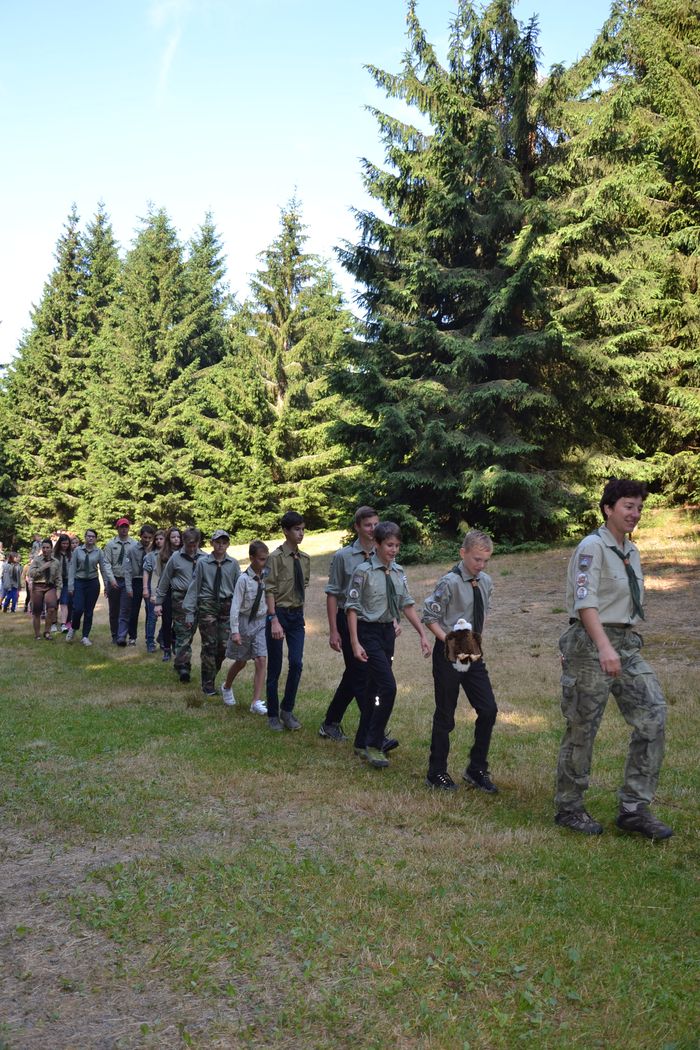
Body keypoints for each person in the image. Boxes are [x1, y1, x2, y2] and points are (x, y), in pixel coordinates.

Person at [554, 478, 673, 839]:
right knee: (582, 727)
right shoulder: (592, 547)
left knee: (653, 715)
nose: (635, 514)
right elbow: (584, 601)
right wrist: (604, 646)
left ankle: (634, 809)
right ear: (608, 508)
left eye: (639, 508)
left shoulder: (630, 551)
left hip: (625, 642)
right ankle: (570, 808)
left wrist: (618, 645)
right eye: (628, 506)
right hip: (590, 642)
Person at [345, 521, 431, 768]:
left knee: (373, 688)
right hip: (368, 633)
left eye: (397, 545)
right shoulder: (363, 571)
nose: (394, 550)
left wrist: (422, 634)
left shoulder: (398, 572)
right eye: (389, 545)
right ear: (377, 544)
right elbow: (352, 608)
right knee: (388, 687)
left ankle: (361, 741)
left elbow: (406, 604)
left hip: (387, 634)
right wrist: (355, 642)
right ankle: (375, 743)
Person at [422, 530, 500, 792]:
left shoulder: (485, 581)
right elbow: (429, 616)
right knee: (446, 713)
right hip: (448, 651)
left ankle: (476, 768)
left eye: (486, 561)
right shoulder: (449, 582)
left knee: (488, 709)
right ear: (463, 553)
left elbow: (483, 613)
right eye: (477, 559)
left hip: (471, 650)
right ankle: (436, 772)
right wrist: (448, 641)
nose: (481, 565)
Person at [319, 506, 378, 742]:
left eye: (376, 524)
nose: (373, 529)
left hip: (373, 622)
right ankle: (374, 730)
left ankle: (330, 723)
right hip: (347, 620)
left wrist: (393, 620)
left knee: (355, 674)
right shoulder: (343, 557)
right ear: (357, 527)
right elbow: (333, 593)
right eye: (368, 525)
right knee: (361, 675)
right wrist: (334, 630)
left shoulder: (382, 552)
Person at [264, 511, 311, 731]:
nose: (300, 533)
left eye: (302, 529)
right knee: (275, 667)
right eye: (296, 529)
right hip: (278, 614)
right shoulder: (275, 558)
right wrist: (273, 618)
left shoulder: (305, 559)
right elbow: (269, 589)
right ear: (285, 531)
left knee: (297, 663)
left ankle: (287, 710)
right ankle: (273, 715)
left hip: (296, 616)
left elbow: (302, 587)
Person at [183, 529, 241, 703]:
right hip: (207, 604)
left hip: (227, 605)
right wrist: (189, 612)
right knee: (209, 645)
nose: (220, 545)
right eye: (217, 542)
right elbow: (195, 586)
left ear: (228, 544)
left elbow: (239, 588)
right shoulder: (203, 563)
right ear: (211, 543)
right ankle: (207, 684)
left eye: (224, 542)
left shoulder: (233, 564)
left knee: (223, 646)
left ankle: (211, 674)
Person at [220, 540, 269, 714]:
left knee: (261, 659)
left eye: (266, 559)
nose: (264, 562)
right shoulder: (243, 580)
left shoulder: (268, 576)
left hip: (261, 622)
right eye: (261, 559)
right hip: (244, 622)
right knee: (241, 661)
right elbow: (235, 607)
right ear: (252, 558)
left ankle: (256, 701)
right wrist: (235, 631)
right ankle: (227, 686)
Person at [154, 527, 203, 683]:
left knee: (192, 631)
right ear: (184, 541)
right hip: (180, 598)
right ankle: (183, 666)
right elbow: (164, 580)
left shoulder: (204, 558)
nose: (192, 548)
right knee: (183, 632)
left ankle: (179, 659)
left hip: (199, 599)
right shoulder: (175, 558)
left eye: (195, 545)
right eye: (189, 545)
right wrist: (158, 602)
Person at [66, 528, 112, 645]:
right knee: (78, 609)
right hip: (79, 582)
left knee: (89, 611)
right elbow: (72, 569)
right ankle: (73, 627)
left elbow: (103, 569)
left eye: (93, 536)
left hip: (92, 583)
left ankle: (85, 636)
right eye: (88, 536)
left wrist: (106, 585)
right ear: (85, 537)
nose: (90, 538)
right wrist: (71, 586)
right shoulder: (77, 551)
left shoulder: (99, 552)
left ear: (95, 539)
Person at [103, 517, 135, 646]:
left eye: (126, 527)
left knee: (125, 609)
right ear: (117, 528)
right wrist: (111, 580)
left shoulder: (134, 544)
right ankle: (114, 635)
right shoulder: (110, 545)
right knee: (114, 610)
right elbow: (106, 563)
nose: (124, 529)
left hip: (127, 581)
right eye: (122, 527)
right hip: (114, 580)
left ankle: (122, 637)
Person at [127, 524, 156, 647]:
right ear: (140, 536)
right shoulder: (132, 550)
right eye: (145, 537)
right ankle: (132, 637)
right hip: (137, 581)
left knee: (150, 611)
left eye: (150, 538)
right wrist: (129, 587)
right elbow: (127, 570)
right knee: (134, 610)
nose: (147, 540)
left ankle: (149, 637)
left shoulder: (154, 550)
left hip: (150, 581)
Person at [27, 539, 61, 639]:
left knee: (51, 609)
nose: (45, 550)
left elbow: (58, 577)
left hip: (50, 586)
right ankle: (37, 634)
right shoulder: (37, 560)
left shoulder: (56, 562)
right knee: (37, 611)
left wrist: (59, 590)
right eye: (43, 548)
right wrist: (42, 568)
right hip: (38, 586)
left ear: (51, 549)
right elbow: (31, 574)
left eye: (47, 547)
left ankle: (47, 632)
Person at [142, 529, 166, 653]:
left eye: (161, 539)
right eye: (156, 539)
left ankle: (162, 637)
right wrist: (145, 589)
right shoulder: (150, 556)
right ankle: (150, 641)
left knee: (168, 616)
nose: (158, 541)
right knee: (152, 617)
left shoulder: (171, 554)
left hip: (167, 589)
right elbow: (146, 572)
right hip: (153, 588)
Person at [53, 533, 73, 632]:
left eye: (67, 544)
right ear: (59, 543)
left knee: (64, 603)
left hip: (66, 581)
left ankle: (63, 624)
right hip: (55, 582)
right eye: (63, 543)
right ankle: (53, 623)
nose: (65, 545)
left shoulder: (71, 554)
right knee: (54, 603)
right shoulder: (54, 555)